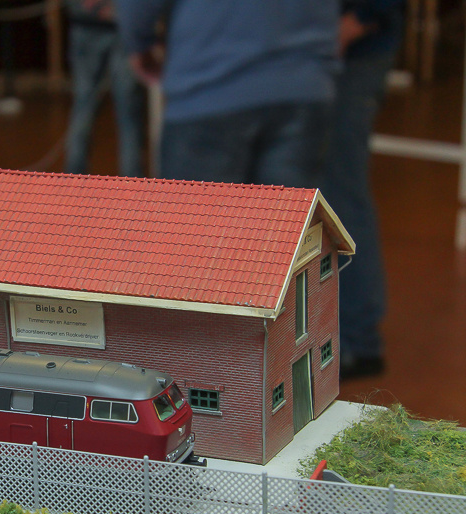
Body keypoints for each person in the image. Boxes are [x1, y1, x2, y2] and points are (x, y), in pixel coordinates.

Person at [113, 0, 340, 188]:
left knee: (197, 226)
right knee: (287, 226)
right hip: (304, 82)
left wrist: (138, 46)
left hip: (208, 87)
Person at [323, 0, 405, 380]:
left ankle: (357, 341)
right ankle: (350, 338)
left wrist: (356, 20)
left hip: (351, 47)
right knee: (328, 191)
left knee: (340, 192)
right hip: (317, 51)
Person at [64, 0, 146, 178]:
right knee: (124, 112)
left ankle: (73, 181)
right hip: (103, 25)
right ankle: (73, 180)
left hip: (112, 27)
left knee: (90, 106)